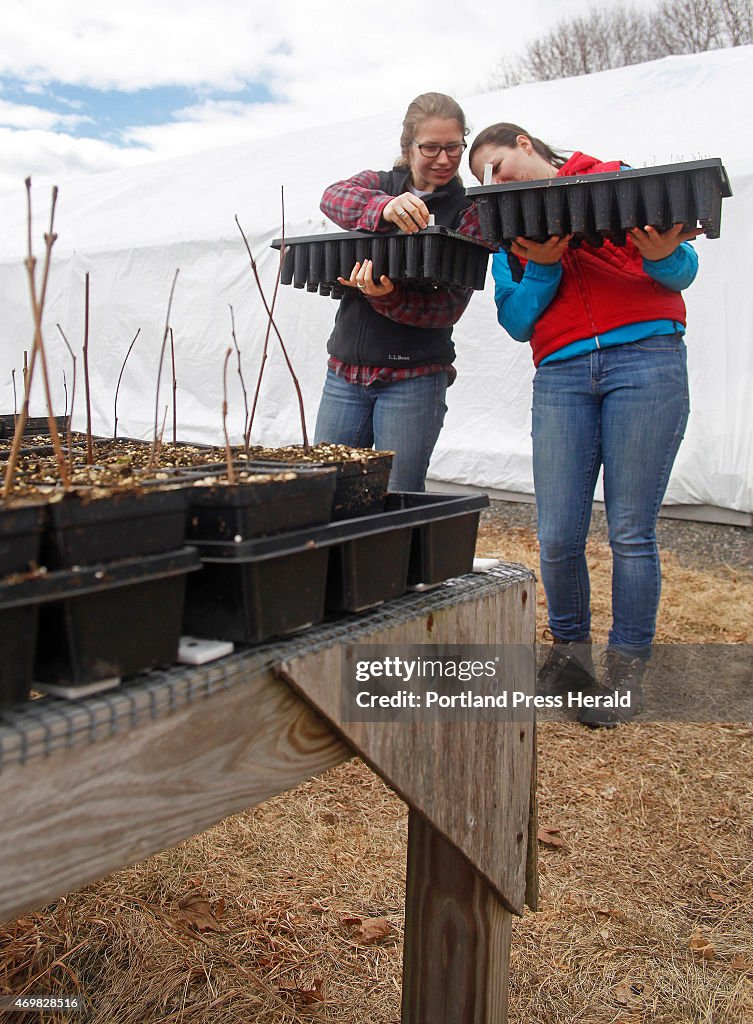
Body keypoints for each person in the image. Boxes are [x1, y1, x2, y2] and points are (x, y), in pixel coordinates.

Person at [469, 123, 700, 727]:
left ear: (524, 143)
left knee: (629, 530)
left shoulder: (617, 181)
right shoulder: (505, 235)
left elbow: (682, 269)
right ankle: (568, 656)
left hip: (646, 361)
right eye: (483, 181)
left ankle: (625, 673)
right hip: (563, 377)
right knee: (558, 533)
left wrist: (661, 255)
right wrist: (542, 268)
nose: (494, 183)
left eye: (495, 165)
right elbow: (516, 321)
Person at [314, 92, 481, 492]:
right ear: (408, 146)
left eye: (454, 147)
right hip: (345, 373)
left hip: (415, 377)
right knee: (326, 492)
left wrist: (385, 296)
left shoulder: (469, 211)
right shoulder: (377, 184)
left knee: (396, 496)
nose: (444, 159)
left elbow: (447, 308)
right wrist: (384, 208)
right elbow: (331, 197)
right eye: (431, 148)